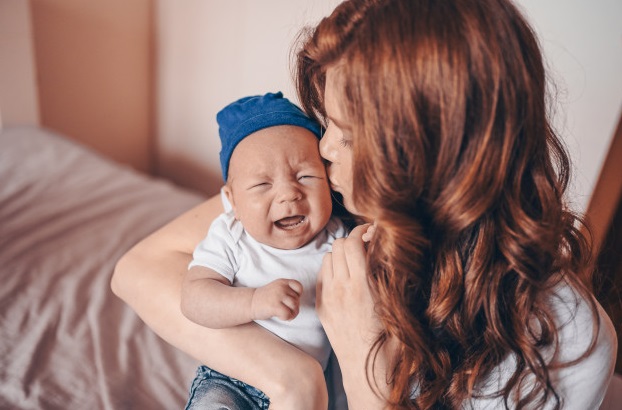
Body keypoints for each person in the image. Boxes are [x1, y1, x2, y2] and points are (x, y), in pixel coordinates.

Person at [112, 0, 618, 409]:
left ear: (435, 165)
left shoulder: (566, 345)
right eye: (327, 122)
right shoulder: (329, 197)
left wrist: (364, 367)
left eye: (350, 138)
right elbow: (139, 269)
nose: (324, 150)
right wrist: (292, 375)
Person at [181, 92, 347, 409]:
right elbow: (194, 298)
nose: (288, 194)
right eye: (262, 185)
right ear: (232, 200)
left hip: (311, 389)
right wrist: (254, 301)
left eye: (306, 176)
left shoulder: (337, 236)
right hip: (231, 380)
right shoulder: (231, 235)